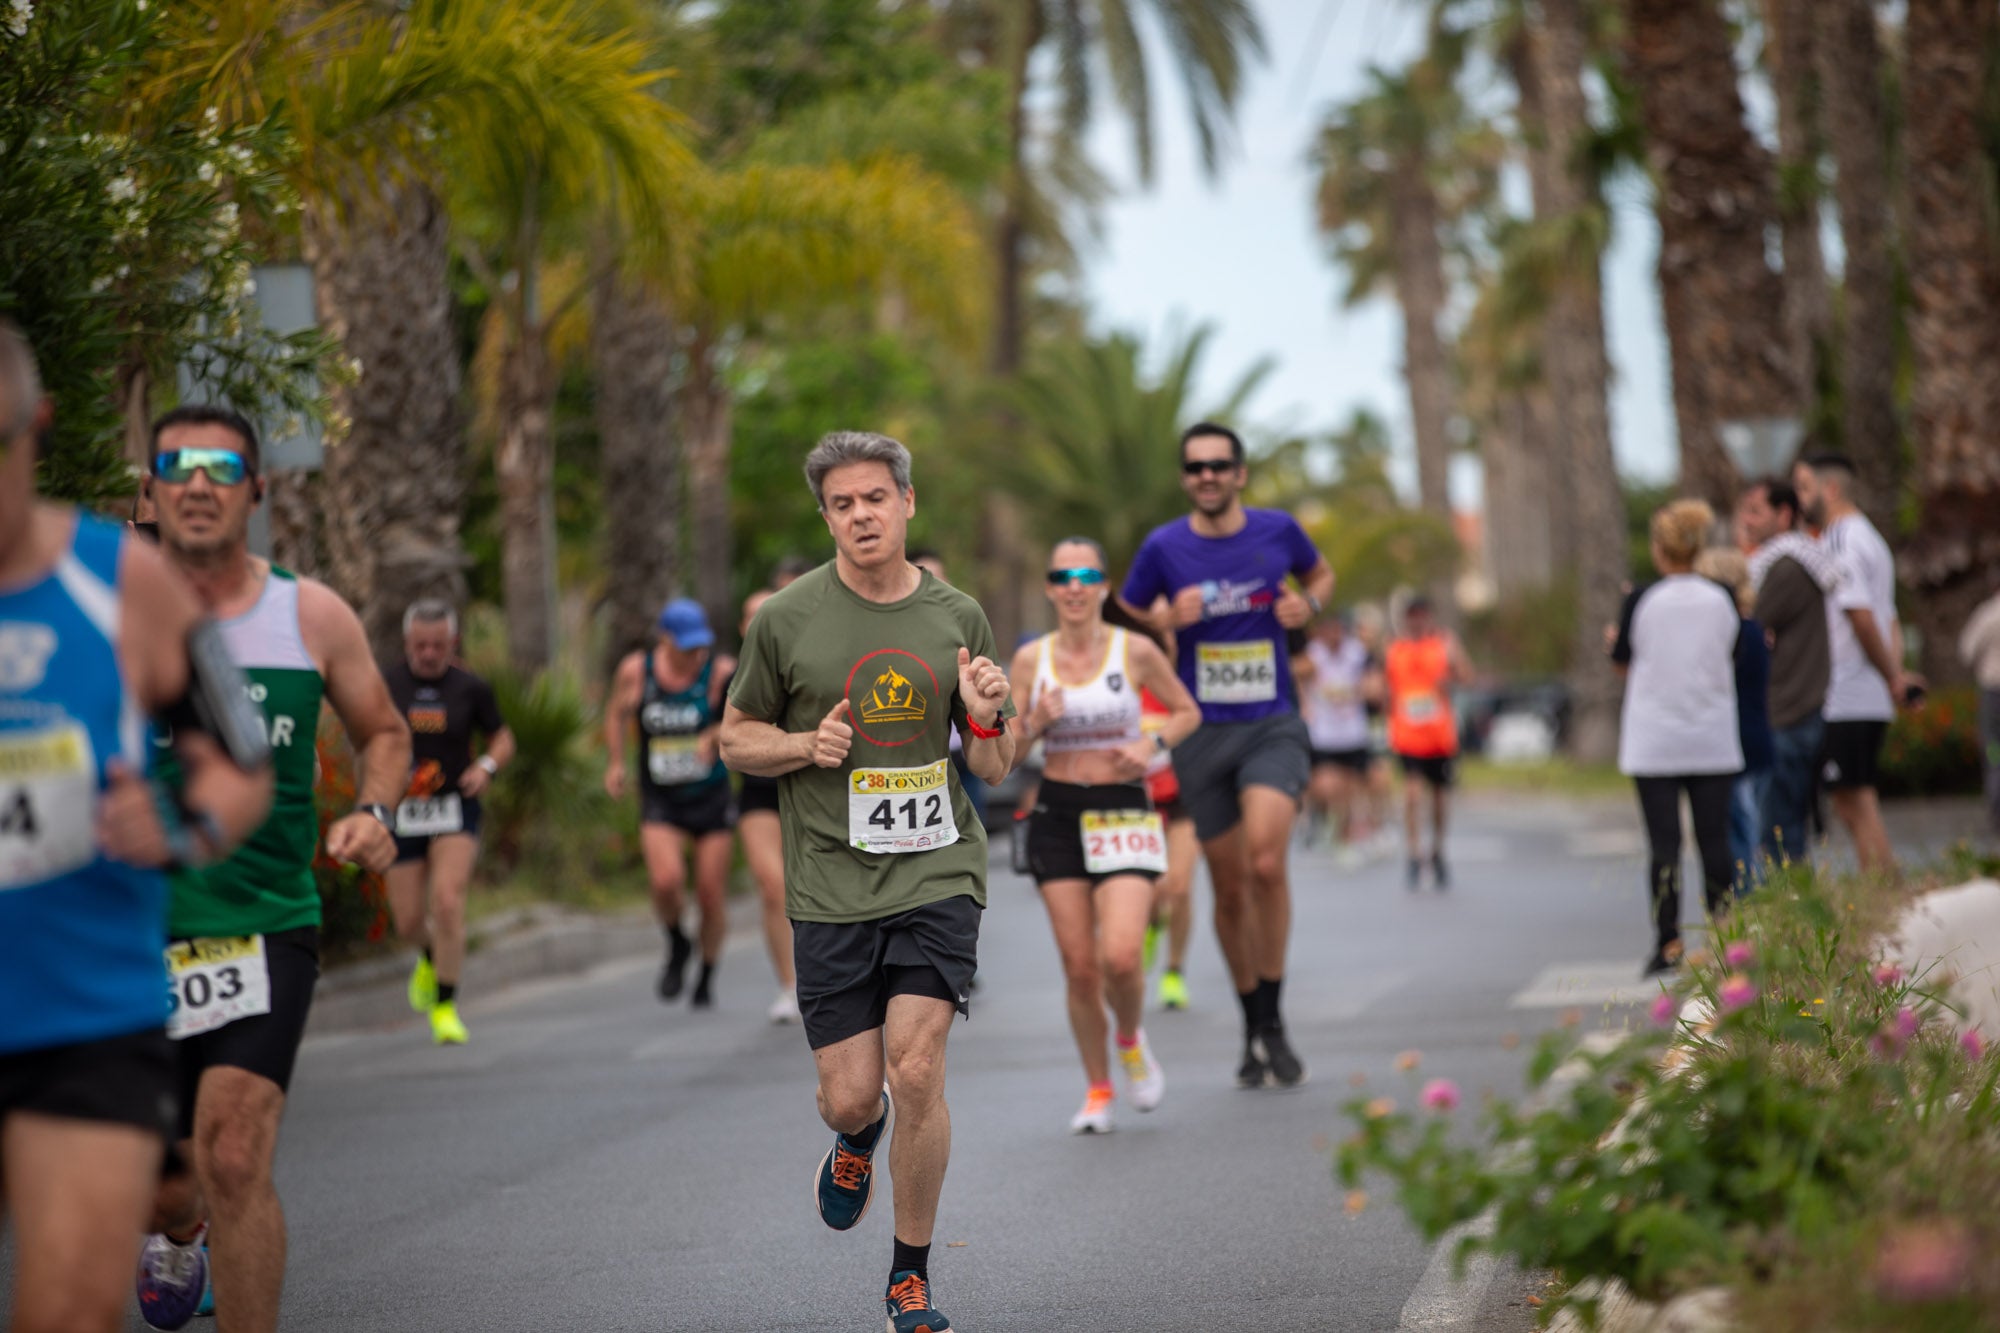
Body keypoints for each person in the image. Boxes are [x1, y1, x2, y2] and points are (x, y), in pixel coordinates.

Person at [0, 324, 271, 1333]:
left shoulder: (125, 581)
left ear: (37, 427)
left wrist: (184, 822)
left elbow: (241, 762)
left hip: (81, 1015)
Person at [720, 430, 1014, 1333]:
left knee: (916, 1069)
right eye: (843, 503)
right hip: (833, 886)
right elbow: (735, 736)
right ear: (826, 516)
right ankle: (854, 1136)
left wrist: (992, 714)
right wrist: (807, 744)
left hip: (938, 870)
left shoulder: (957, 615)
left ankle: (910, 1276)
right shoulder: (786, 619)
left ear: (907, 503)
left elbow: (995, 766)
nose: (861, 515)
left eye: (875, 498)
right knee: (854, 1090)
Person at [137, 403, 412, 1333]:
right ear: (152, 489)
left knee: (237, 1152)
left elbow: (383, 731)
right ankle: (176, 1225)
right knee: (160, 1177)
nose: (201, 481)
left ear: (258, 489)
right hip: (121, 932)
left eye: (224, 466)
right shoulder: (99, 615)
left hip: (263, 921)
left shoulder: (309, 613)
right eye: (180, 465)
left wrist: (374, 813)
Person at [1118, 421, 1333, 1091]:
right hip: (1202, 732)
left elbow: (1319, 573)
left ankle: (1272, 1014)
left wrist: (1311, 602)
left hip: (1271, 721)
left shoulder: (1277, 531)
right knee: (1230, 885)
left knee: (1267, 860)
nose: (1207, 475)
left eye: (1219, 465)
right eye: (1195, 467)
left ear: (1240, 473)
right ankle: (1253, 1023)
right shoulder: (1164, 547)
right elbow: (1123, 620)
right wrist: (1164, 621)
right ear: (1186, 478)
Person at [1009, 538, 1200, 1133]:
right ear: (1049, 587)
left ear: (1103, 586)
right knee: (1080, 967)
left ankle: (1130, 1036)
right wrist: (1034, 725)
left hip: (1123, 808)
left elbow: (1186, 711)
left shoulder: (1135, 649)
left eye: (1086, 574)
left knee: (1121, 954)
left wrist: (1151, 744)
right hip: (1058, 811)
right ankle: (1097, 1089)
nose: (1073, 585)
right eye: (1061, 575)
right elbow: (1005, 755)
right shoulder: (1029, 661)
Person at [1611, 500, 1744, 976]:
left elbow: (1622, 659)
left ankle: (1667, 942)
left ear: (1661, 549)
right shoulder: (1722, 598)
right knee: (1715, 842)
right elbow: (1733, 649)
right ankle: (1728, 940)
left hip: (1655, 740)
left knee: (1663, 847)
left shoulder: (1641, 600)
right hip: (1710, 736)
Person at [382, 600, 513, 1045]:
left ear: (452, 644)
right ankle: (427, 954)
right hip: (405, 809)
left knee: (448, 902)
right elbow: (368, 734)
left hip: (455, 807)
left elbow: (502, 736)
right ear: (407, 643)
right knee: (407, 920)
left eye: (438, 645)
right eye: (420, 645)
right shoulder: (388, 683)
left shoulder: (471, 687)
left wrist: (487, 767)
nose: (429, 654)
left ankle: (445, 1005)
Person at [604, 598, 736, 1009]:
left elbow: (741, 721)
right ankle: (678, 941)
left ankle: (707, 973)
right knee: (666, 882)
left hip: (710, 797)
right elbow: (614, 714)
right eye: (686, 646)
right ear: (665, 639)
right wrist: (615, 763)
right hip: (661, 797)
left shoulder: (720, 672)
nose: (695, 654)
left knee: (711, 894)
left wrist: (713, 734)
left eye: (701, 645)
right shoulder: (636, 671)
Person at [1792, 454, 1915, 875]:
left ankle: (1884, 893)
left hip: (1847, 692)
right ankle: (1883, 891)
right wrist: (1893, 676)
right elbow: (1890, 617)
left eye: (1805, 487)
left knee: (1853, 802)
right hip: (1865, 690)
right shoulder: (1870, 538)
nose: (1799, 497)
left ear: (1831, 489)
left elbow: (1862, 616)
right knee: (1855, 799)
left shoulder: (1842, 541)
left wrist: (1892, 676)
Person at [1736, 476, 1837, 868]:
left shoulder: (1788, 566)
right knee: (1784, 827)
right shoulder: (1790, 560)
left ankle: (1793, 916)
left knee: (1779, 836)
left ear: (1784, 514)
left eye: (1756, 511)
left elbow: (1747, 627)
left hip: (1787, 714)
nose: (1746, 521)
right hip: (1793, 711)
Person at [735, 586, 798, 1024]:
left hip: (808, 787)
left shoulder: (806, 665)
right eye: (751, 616)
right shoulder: (727, 676)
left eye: (767, 614)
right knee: (772, 885)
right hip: (758, 792)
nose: (760, 623)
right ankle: (789, 986)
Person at [1694, 548, 1773, 893]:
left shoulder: (1734, 632)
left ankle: (1750, 908)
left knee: (1741, 832)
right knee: (1750, 827)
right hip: (1757, 737)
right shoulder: (1754, 630)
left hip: (1738, 741)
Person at [1384, 597, 1473, 890]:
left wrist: (1451, 679)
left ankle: (1437, 849)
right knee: (1411, 795)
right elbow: (1385, 689)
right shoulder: (1395, 649)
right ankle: (1413, 852)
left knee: (1438, 800)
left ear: (1430, 617)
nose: (1417, 621)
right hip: (1407, 736)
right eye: (1412, 616)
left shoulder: (1446, 644)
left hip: (1439, 737)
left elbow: (1467, 676)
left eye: (1421, 616)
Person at [1300, 613, 1377, 863]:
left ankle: (1346, 835)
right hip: (1324, 734)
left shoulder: (1357, 653)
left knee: (1351, 789)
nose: (1333, 636)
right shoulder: (1313, 654)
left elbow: (1373, 685)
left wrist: (1362, 689)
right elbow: (1295, 673)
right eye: (1328, 631)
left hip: (1352, 732)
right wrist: (1304, 704)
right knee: (1325, 785)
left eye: (1337, 630)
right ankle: (1324, 819)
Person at [1962, 583, 2000, 834]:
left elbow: (1966, 651)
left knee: (1995, 750)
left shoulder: (1989, 613)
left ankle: (1997, 808)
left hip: (1994, 693)